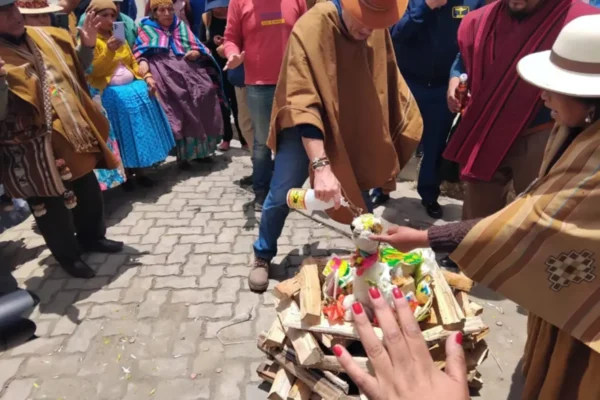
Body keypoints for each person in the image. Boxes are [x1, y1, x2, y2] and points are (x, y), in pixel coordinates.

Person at [366, 15, 600, 399]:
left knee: (573, 378)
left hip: (589, 315)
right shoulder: (577, 129)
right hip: (570, 293)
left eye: (554, 88)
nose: (543, 97)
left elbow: (533, 223)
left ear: (590, 99)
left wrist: (426, 238)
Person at [247, 0, 423, 291]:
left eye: (377, 23)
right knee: (281, 194)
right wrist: (321, 165)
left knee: (360, 192)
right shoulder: (312, 26)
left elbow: (384, 81)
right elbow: (302, 100)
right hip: (303, 127)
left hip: (349, 126)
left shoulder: (375, 26)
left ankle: (369, 260)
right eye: (363, 19)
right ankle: (262, 254)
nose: (369, 30)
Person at [0, 1, 124, 278]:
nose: (14, 17)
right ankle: (69, 257)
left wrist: (87, 46)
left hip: (70, 133)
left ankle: (93, 238)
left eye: (13, 9)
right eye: (3, 13)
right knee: (51, 208)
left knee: (88, 192)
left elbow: (74, 68)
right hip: (30, 148)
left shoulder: (46, 37)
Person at [444, 0, 598, 221]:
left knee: (537, 215)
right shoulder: (481, 20)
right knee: (477, 213)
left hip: (541, 134)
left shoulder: (581, 23)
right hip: (487, 127)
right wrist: (455, 78)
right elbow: (463, 58)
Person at [383, 0, 485, 218]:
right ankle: (382, 186)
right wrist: (426, 6)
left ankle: (429, 195)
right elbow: (396, 34)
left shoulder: (474, 2)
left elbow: (473, 46)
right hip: (407, 82)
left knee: (435, 146)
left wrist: (460, 82)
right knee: (393, 138)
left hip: (442, 87)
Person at [223, 0, 307, 210]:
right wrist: (232, 55)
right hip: (259, 85)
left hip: (292, 82)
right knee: (262, 143)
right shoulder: (239, 3)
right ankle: (261, 193)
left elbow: (307, 33)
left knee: (292, 141)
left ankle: (288, 193)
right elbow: (230, 38)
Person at [86, 0, 175, 190]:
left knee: (146, 95)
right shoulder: (90, 41)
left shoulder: (118, 37)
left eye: (112, 15)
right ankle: (126, 172)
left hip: (130, 84)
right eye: (104, 15)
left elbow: (132, 61)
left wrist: (147, 77)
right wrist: (109, 51)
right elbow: (94, 71)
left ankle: (142, 168)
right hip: (107, 90)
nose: (110, 19)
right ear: (92, 17)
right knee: (124, 116)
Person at [134, 0, 224, 168]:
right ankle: (183, 155)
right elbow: (138, 52)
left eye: (170, 9)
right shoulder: (146, 29)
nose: (167, 14)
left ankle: (203, 151)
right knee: (177, 106)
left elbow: (197, 45)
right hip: (163, 73)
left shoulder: (180, 26)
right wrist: (143, 61)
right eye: (162, 10)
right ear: (154, 13)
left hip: (189, 69)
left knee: (205, 93)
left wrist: (196, 52)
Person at [204, 0, 247, 152]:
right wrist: (212, 42)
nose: (219, 10)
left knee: (238, 105)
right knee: (222, 105)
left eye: (222, 6)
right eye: (215, 7)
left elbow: (244, 38)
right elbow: (201, 42)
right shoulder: (207, 19)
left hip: (236, 67)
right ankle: (226, 138)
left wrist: (228, 45)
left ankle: (244, 139)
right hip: (217, 68)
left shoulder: (237, 14)